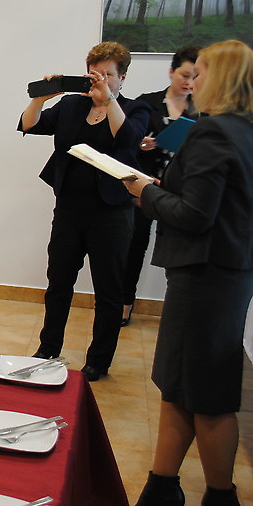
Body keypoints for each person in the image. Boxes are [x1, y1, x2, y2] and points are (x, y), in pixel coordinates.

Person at [124, 40, 253, 506]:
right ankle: (162, 485)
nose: (193, 81)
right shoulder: (242, 130)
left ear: (222, 78)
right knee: (178, 386)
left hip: (205, 277)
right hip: (224, 273)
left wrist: (146, 192)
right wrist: (163, 189)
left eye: (201, 73)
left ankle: (220, 496)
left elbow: (196, 215)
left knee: (208, 396)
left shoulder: (211, 132)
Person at [18, 41, 150, 381]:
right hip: (69, 209)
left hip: (112, 213)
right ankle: (48, 348)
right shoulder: (71, 105)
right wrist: (40, 98)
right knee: (58, 282)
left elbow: (128, 139)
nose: (100, 80)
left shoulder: (136, 109)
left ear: (122, 78)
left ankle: (99, 360)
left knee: (108, 290)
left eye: (109, 75)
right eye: (95, 73)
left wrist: (109, 101)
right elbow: (30, 125)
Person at [121, 46, 200, 326]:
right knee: (134, 246)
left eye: (196, 76)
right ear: (171, 72)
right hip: (144, 188)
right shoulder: (147, 103)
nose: (189, 82)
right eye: (184, 75)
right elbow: (125, 141)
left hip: (182, 191)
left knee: (182, 251)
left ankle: (179, 310)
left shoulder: (203, 110)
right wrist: (139, 144)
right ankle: (125, 303)